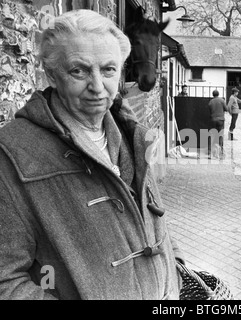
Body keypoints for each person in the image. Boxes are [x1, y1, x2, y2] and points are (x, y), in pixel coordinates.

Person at [0, 9, 184, 300]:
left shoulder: (132, 133)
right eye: (79, 71)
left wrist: (175, 267)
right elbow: (5, 281)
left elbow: (153, 217)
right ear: (52, 74)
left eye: (109, 70)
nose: (97, 87)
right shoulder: (11, 153)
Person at [207, 90, 228, 159]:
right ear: (218, 94)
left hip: (213, 120)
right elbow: (226, 109)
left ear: (213, 95)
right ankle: (220, 151)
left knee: (211, 135)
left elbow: (209, 111)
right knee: (220, 135)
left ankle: (209, 152)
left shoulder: (210, 102)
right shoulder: (222, 100)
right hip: (221, 120)